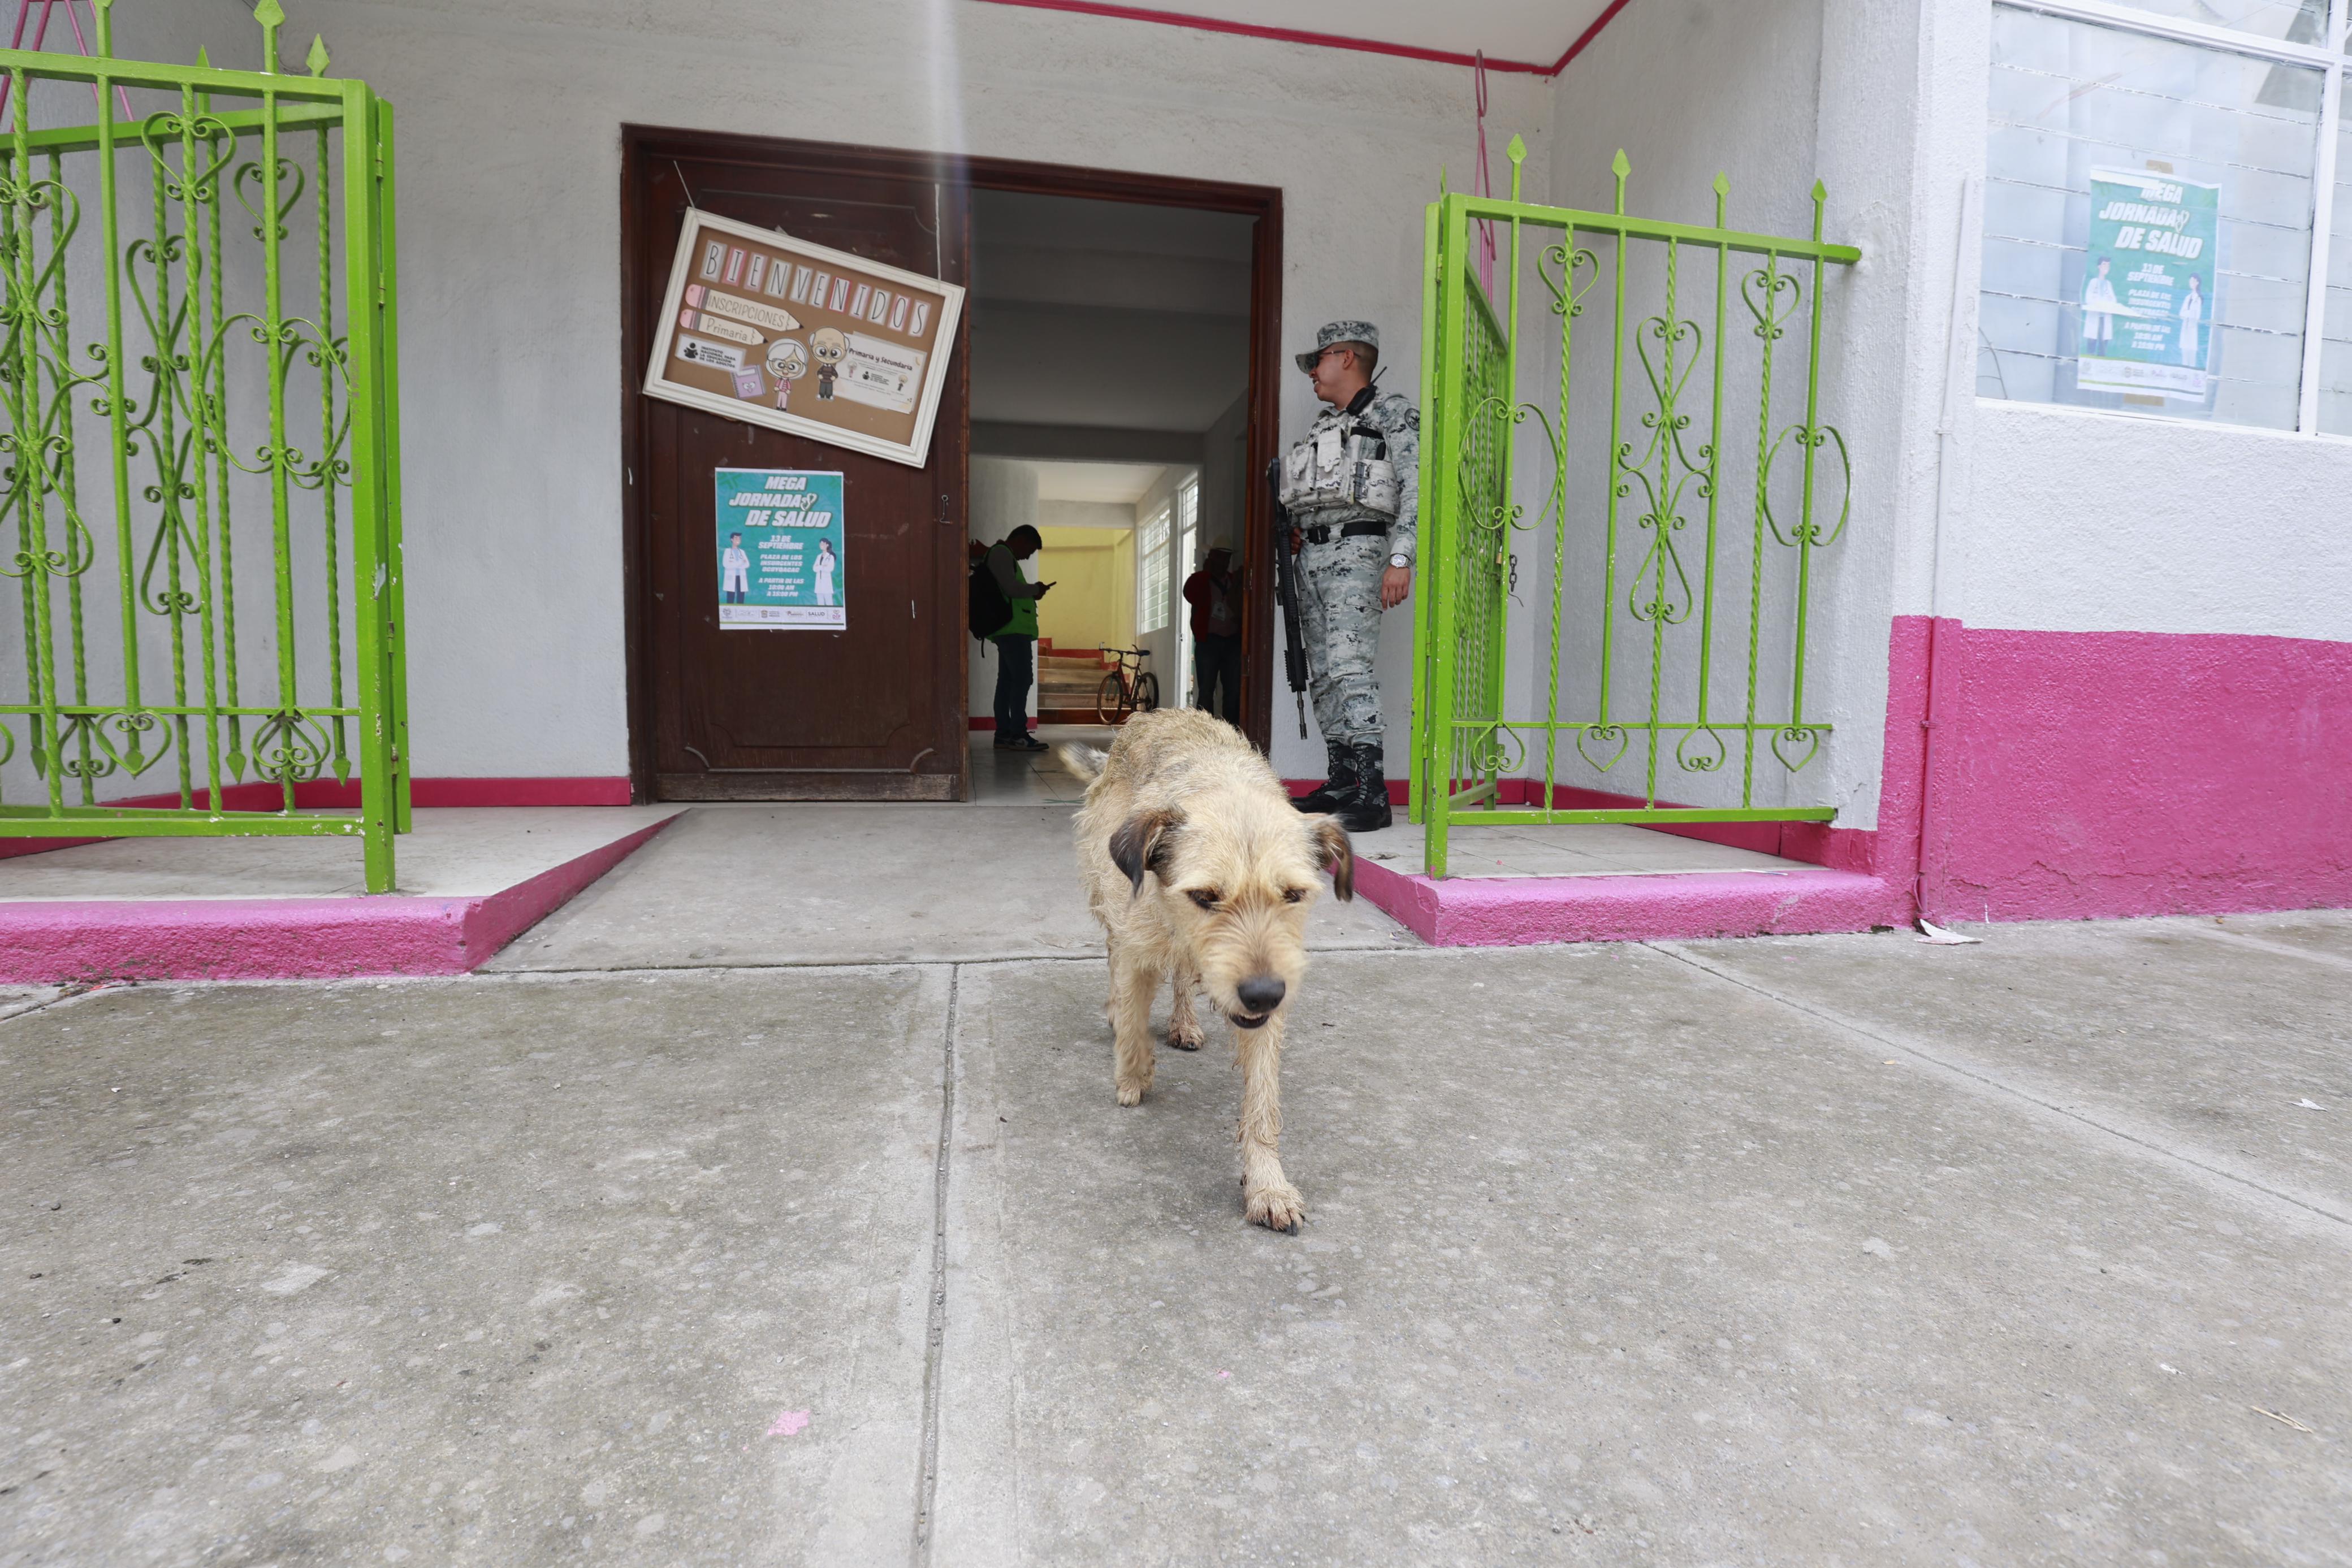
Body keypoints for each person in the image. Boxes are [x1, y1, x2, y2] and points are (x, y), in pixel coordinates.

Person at [1277, 320, 1417, 832]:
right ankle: (1341, 782)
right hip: (1310, 560)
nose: (1312, 372)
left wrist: (1401, 559)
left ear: (1346, 358)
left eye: (1318, 361)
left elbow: (1418, 488)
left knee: (1349, 666)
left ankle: (1373, 793)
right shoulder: (1321, 426)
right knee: (1322, 672)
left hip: (1357, 552)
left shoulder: (1392, 414)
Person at [982, 523, 1054, 751]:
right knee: (1022, 680)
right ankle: (1017, 734)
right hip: (1012, 631)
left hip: (1011, 631)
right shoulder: (1002, 553)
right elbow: (1011, 588)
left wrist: (1033, 592)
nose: (1028, 556)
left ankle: (1005, 735)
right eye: (1030, 550)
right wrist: (1035, 589)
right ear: (1021, 540)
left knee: (1007, 682)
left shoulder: (1003, 555)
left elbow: (1011, 590)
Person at [1182, 544, 1244, 724]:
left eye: (1226, 558)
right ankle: (1204, 731)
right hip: (1208, 642)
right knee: (1207, 690)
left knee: (1233, 691)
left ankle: (1230, 731)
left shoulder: (1234, 581)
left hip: (1232, 642)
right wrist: (1205, 574)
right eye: (1219, 557)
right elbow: (1189, 593)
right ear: (1211, 559)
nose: (1223, 562)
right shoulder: (1200, 581)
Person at [2082, 257, 2120, 354]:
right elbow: (2088, 298)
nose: (2106, 267)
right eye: (2104, 264)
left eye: (2108, 265)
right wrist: (2100, 302)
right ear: (2099, 267)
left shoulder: (2108, 284)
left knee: (2103, 341)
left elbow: (2113, 300)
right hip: (2095, 315)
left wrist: (2106, 303)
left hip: (2104, 317)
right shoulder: (2093, 282)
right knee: (2092, 341)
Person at [2178, 274, 2204, 369]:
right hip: (2185, 328)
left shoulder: (2199, 298)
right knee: (2184, 353)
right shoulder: (2187, 298)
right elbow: (2181, 313)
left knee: (2192, 355)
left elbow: (2196, 316)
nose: (2191, 283)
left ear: (2197, 283)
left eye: (2193, 281)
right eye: (2190, 281)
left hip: (2192, 329)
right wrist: (2189, 313)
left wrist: (2188, 313)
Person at [720, 531, 750, 605]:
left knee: (741, 595)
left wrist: (734, 564)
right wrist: (740, 563)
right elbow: (726, 565)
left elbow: (747, 564)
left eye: (739, 538)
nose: (738, 540)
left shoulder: (742, 552)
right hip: (731, 577)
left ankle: (741, 611)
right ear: (732, 539)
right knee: (731, 595)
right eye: (736, 538)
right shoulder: (727, 551)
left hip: (741, 577)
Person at [813, 538, 837, 606]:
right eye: (820, 544)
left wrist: (820, 567)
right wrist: (823, 566)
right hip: (819, 583)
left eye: (823, 544)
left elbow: (830, 569)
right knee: (820, 603)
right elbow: (814, 569)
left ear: (827, 545)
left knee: (829, 602)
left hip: (826, 583)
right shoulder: (818, 556)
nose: (821, 545)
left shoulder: (831, 557)